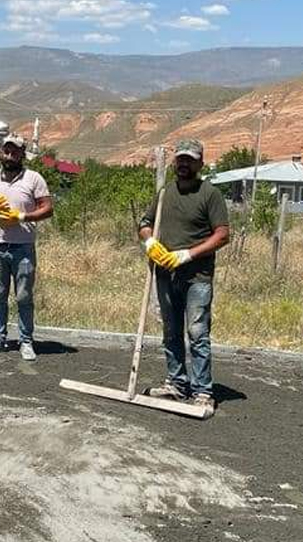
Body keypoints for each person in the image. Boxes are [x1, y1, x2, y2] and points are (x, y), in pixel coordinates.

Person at [137, 139, 229, 413]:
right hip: (166, 274)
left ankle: (202, 390)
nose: (184, 164)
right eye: (180, 159)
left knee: (197, 332)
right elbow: (145, 223)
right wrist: (150, 242)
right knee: (171, 331)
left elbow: (222, 235)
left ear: (201, 163)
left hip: (196, 276)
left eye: (190, 159)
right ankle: (177, 384)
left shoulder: (209, 194)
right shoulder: (166, 192)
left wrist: (188, 254)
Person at [0, 133, 53, 361]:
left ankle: (26, 341)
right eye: (6, 151)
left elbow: (47, 208)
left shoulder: (34, 179)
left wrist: (23, 216)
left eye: (14, 151)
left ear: (22, 154)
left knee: (24, 296)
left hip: (23, 246)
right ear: (0, 152)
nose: (9, 155)